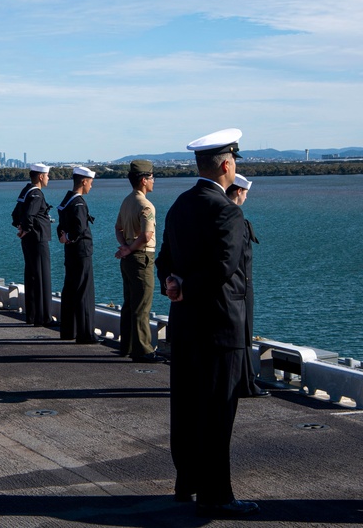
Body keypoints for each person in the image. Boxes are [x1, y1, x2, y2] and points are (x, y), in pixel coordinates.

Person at [156, 128, 258, 518]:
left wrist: (175, 284)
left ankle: (188, 482)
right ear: (227, 165)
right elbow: (224, 265)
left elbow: (165, 257)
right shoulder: (227, 210)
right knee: (217, 413)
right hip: (219, 326)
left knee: (187, 407)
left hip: (185, 323)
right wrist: (188, 285)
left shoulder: (179, 205)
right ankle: (216, 495)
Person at [226, 173, 268, 398]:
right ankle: (246, 382)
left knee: (241, 335)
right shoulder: (235, 219)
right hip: (241, 287)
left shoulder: (230, 218)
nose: (246, 198)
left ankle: (243, 379)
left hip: (238, 285)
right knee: (244, 335)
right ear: (239, 192)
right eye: (246, 193)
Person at [114, 160, 157, 362]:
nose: (153, 181)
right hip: (142, 257)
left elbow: (118, 228)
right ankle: (143, 349)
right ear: (143, 180)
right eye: (151, 177)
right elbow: (147, 235)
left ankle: (127, 345)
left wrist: (124, 248)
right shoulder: (145, 205)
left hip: (129, 258)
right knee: (142, 305)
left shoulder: (127, 201)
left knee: (129, 303)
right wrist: (131, 248)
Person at [56, 167, 98, 344]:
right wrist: (71, 237)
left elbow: (61, 225)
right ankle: (85, 333)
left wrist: (64, 237)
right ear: (84, 181)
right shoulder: (79, 202)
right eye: (90, 182)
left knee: (70, 289)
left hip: (71, 251)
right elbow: (80, 228)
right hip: (81, 251)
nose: (91, 186)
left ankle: (68, 330)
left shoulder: (67, 200)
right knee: (84, 291)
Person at [15, 163, 53, 326]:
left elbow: (16, 214)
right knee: (42, 277)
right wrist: (27, 228)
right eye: (47, 175)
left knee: (31, 275)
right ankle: (43, 317)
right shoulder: (36, 194)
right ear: (40, 176)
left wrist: (21, 228)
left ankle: (32, 315)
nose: (48, 178)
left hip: (29, 239)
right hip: (38, 239)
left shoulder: (26, 190)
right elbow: (29, 214)